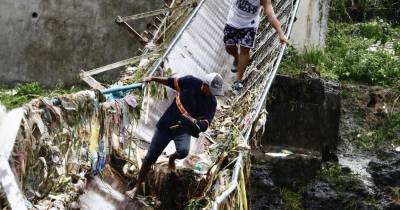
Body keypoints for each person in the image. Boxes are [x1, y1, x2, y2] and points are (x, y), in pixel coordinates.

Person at [125, 73, 223, 198]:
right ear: (205, 85)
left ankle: (172, 158)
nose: (213, 94)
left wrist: (197, 126)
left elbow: (207, 121)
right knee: (150, 158)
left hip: (184, 130)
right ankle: (137, 187)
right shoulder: (190, 82)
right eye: (212, 90)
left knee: (183, 151)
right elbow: (171, 82)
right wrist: (153, 78)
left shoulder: (212, 102)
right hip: (166, 125)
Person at [224, 0, 289, 90]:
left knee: (245, 51)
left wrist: (281, 33)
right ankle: (237, 58)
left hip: (249, 25)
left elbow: (271, 15)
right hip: (233, 20)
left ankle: (238, 81)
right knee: (229, 47)